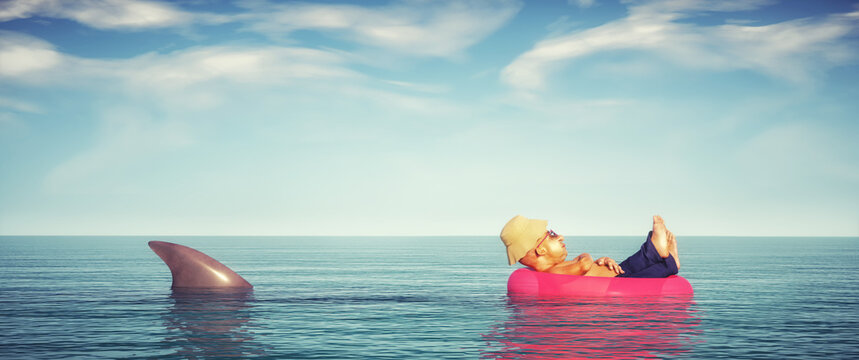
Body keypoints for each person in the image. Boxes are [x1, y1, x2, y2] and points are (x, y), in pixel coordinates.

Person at [500, 215, 680, 278]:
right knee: (640, 264)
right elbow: (583, 266)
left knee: (636, 267)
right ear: (541, 250)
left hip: (617, 273)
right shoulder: (551, 273)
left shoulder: (554, 268)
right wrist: (586, 256)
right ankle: (656, 251)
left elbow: (585, 269)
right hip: (617, 280)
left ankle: (664, 256)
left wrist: (601, 261)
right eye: (552, 234)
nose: (560, 236)